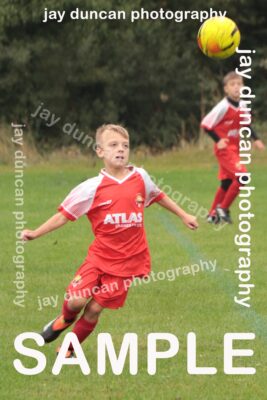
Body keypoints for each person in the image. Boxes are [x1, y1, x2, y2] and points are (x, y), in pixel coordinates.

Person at [22, 124, 198, 357]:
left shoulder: (140, 177)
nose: (121, 150)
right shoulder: (90, 188)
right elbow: (63, 216)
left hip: (128, 263)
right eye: (113, 145)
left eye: (125, 145)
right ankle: (63, 320)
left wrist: (184, 215)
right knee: (76, 301)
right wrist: (35, 232)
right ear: (100, 151)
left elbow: (158, 195)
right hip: (99, 257)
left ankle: (69, 349)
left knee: (94, 309)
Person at [201, 71, 265, 224]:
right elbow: (206, 124)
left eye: (239, 84)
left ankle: (212, 215)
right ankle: (223, 209)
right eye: (232, 84)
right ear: (226, 89)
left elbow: (246, 124)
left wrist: (256, 139)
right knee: (243, 176)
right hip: (224, 150)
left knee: (227, 183)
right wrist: (218, 140)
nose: (237, 87)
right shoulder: (222, 107)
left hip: (234, 150)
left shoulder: (243, 104)